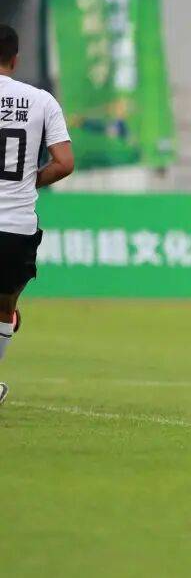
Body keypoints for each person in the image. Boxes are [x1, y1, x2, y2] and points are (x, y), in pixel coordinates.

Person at [0, 24, 76, 406]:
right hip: (16, 226)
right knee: (5, 307)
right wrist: (30, 181)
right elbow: (64, 162)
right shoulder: (41, 101)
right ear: (15, 59)